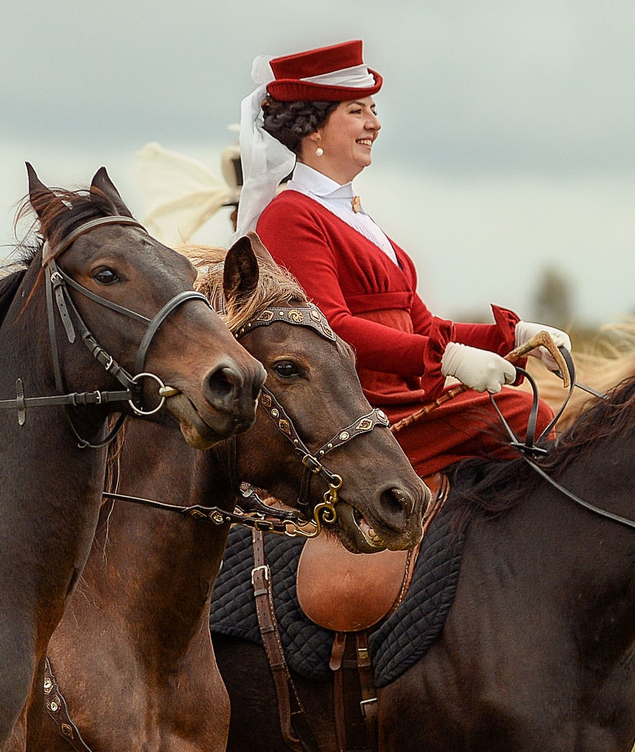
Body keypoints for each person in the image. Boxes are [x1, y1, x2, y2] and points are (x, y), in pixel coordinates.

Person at [240, 40, 568, 479]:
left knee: (524, 412)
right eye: (357, 110)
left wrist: (514, 336)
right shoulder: (289, 214)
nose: (374, 123)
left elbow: (423, 327)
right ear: (313, 129)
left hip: (401, 400)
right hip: (353, 414)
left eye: (373, 109)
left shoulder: (353, 215)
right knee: (520, 413)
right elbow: (330, 327)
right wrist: (447, 360)